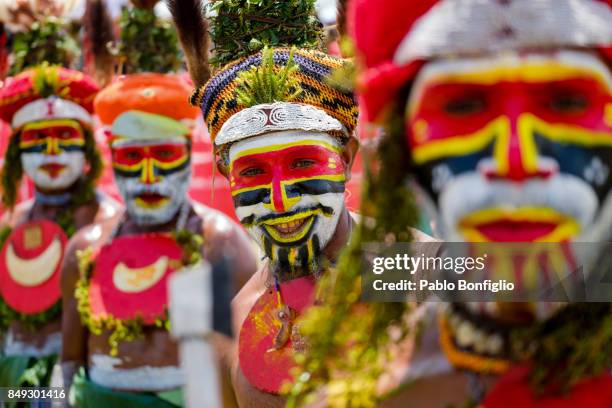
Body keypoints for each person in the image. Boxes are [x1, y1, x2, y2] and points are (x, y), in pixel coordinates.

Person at [313, 0, 611, 406]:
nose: (516, 159)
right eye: (464, 106)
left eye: (567, 103)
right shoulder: (374, 389)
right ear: (405, 151)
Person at [59, 2, 258, 407]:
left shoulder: (219, 244)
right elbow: (67, 366)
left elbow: (237, 366)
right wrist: (37, 399)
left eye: (163, 155)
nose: (149, 176)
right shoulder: (86, 249)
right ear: (112, 159)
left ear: (187, 155)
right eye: (133, 158)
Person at [169, 0, 359, 405]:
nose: (280, 199)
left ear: (346, 158)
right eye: (253, 172)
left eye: (303, 162)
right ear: (225, 176)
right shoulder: (229, 326)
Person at [0, 64, 120, 393]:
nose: (51, 151)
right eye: (38, 138)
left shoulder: (111, 224)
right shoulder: (9, 224)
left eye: (64, 136)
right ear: (16, 153)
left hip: (83, 385)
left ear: (86, 148)